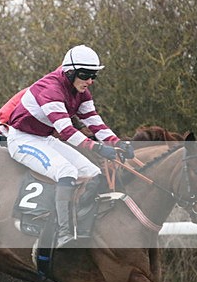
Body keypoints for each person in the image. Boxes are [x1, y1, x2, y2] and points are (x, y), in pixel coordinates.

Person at [7, 44, 134, 247]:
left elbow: (95, 123)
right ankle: (64, 234)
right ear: (70, 72)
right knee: (66, 171)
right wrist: (99, 148)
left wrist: (119, 143)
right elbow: (67, 131)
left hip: (44, 138)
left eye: (94, 75)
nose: (90, 81)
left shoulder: (81, 91)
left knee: (93, 172)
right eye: (86, 75)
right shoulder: (50, 89)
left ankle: (82, 224)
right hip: (22, 139)